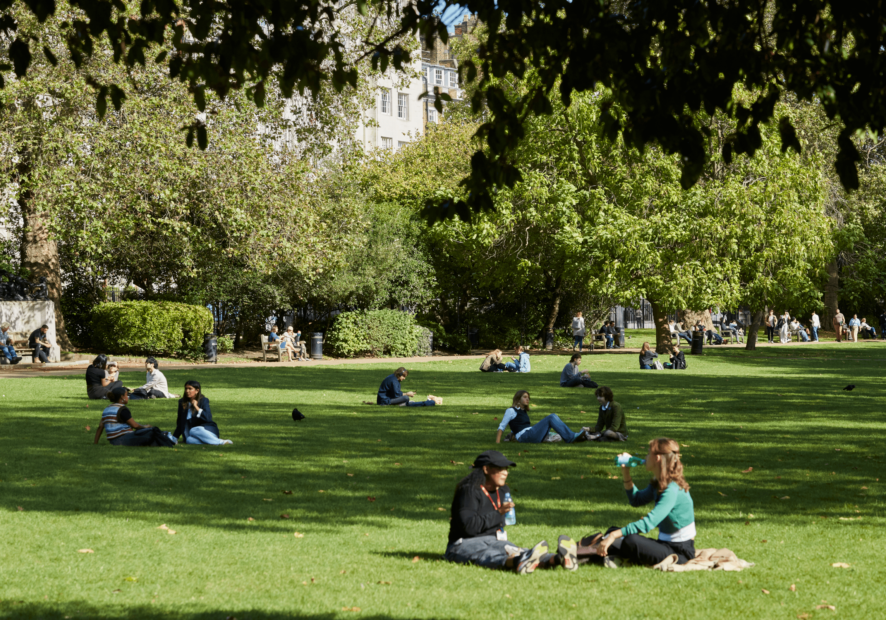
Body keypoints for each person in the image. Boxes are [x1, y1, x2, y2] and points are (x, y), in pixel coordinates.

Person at [445, 450, 578, 573]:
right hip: (464, 543)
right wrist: (499, 513)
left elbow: (499, 523)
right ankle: (518, 562)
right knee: (488, 555)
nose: (505, 472)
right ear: (486, 469)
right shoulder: (469, 491)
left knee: (520, 551)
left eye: (506, 469)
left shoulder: (503, 491)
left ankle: (558, 559)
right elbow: (469, 527)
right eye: (501, 468)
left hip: (494, 540)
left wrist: (501, 516)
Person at [584, 438, 696, 568]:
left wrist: (614, 535)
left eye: (649, 453)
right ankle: (591, 554)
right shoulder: (659, 482)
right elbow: (636, 500)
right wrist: (626, 472)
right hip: (665, 544)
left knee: (629, 540)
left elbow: (649, 523)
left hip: (680, 552)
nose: (645, 457)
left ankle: (592, 555)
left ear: (657, 458)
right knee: (613, 531)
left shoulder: (672, 490)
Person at [92, 387, 175, 447]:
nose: (128, 397)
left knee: (149, 434)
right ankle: (168, 440)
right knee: (153, 431)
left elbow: (100, 427)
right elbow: (135, 426)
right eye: (126, 395)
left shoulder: (106, 409)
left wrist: (95, 443)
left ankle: (162, 440)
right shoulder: (122, 409)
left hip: (113, 441)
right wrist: (145, 426)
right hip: (124, 439)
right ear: (122, 397)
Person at [496, 390, 584, 444]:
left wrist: (513, 434)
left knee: (552, 419)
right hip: (525, 436)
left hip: (528, 434)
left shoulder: (523, 411)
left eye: (528, 397)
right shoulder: (511, 410)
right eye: (525, 397)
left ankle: (575, 436)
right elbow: (502, 426)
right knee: (551, 417)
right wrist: (497, 442)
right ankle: (571, 437)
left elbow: (516, 426)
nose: (528, 399)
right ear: (518, 399)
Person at [172, 380, 233, 445]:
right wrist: (175, 437)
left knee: (194, 430)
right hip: (194, 434)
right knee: (189, 440)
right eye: (186, 388)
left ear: (197, 391)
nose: (187, 391)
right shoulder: (182, 402)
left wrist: (196, 407)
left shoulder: (204, 400)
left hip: (208, 430)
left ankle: (220, 442)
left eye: (190, 389)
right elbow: (180, 422)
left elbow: (208, 418)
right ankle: (215, 441)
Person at [369, 367, 440, 407]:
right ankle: (430, 402)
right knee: (406, 398)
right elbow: (396, 394)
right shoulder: (394, 381)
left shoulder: (392, 377)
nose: (404, 378)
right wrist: (407, 394)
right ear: (399, 375)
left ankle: (429, 402)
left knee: (405, 399)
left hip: (383, 399)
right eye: (403, 376)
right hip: (384, 401)